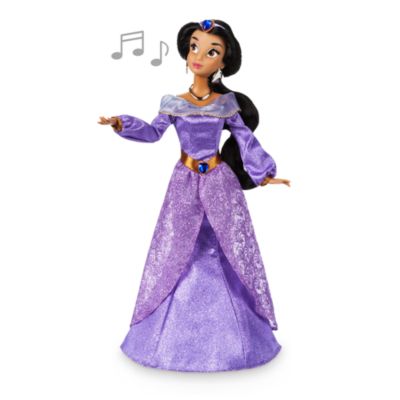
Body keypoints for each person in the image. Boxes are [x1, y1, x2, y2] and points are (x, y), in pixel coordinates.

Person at [98, 19, 290, 373]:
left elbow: (244, 139)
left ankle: (238, 336)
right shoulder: (174, 103)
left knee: (226, 246)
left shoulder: (226, 104)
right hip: (184, 183)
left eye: (211, 51)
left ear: (224, 62)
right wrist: (122, 123)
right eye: (194, 47)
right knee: (176, 246)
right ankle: (163, 335)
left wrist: (263, 173)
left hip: (219, 182)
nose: (199, 55)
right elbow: (153, 132)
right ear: (186, 53)